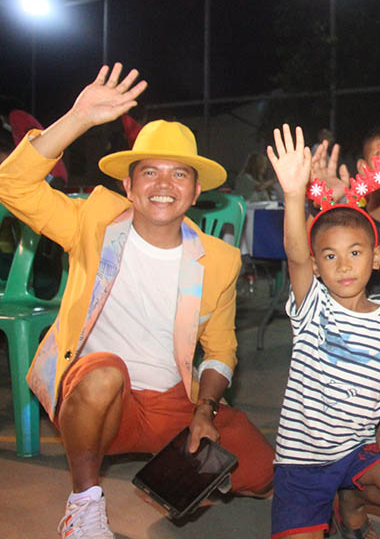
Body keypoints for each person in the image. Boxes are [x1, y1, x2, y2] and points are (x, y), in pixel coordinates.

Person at [0, 64, 274, 539]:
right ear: (127, 186)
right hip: (100, 396)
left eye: (178, 174)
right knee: (104, 372)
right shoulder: (94, 222)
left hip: (172, 398)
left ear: (195, 190)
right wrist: (78, 118)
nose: (163, 185)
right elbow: (12, 184)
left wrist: (204, 411)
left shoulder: (219, 260)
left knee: (263, 472)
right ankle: (83, 505)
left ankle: (175, 470)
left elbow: (221, 350)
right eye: (149, 172)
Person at [266, 123, 380, 539]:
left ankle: (351, 499)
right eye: (329, 256)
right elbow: (295, 254)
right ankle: (332, 501)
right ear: (316, 265)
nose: (343, 265)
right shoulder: (312, 306)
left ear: (376, 258)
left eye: (355, 252)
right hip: (302, 463)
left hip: (357, 451)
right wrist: (293, 194)